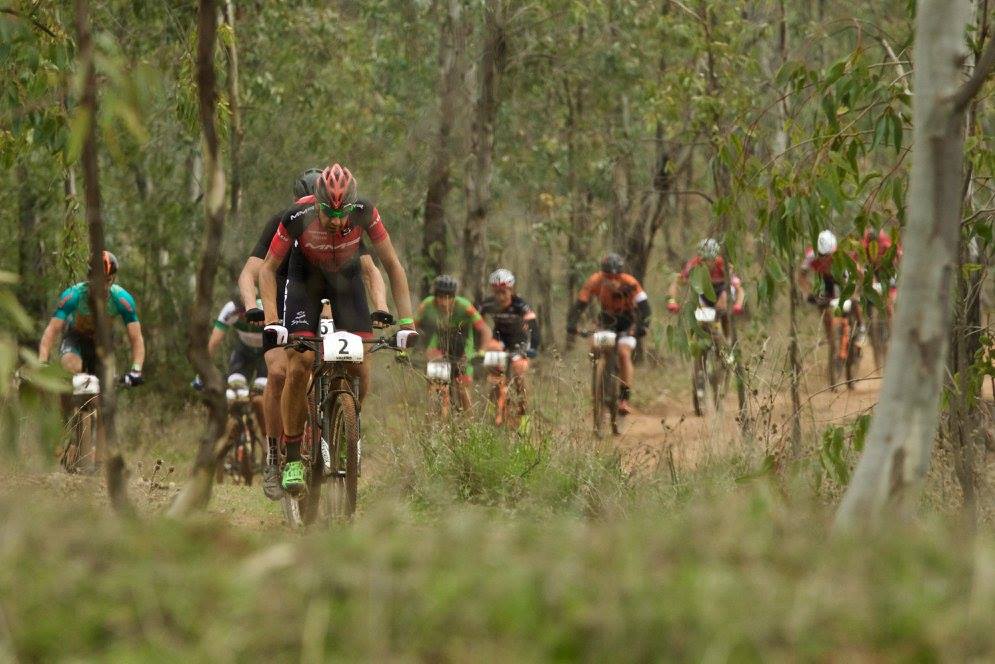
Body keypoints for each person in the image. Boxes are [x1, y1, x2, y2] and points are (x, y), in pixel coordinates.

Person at [259, 163, 415, 495]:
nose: (336, 220)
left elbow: (391, 266)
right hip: (306, 282)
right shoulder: (296, 217)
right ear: (315, 202)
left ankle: (345, 428)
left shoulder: (365, 213)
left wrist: (406, 322)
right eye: (328, 212)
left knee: (360, 363)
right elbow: (268, 270)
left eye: (342, 212)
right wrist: (273, 320)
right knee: (299, 364)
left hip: (346, 282)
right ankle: (291, 459)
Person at [38, 250, 145, 386]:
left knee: (106, 383)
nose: (103, 286)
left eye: (107, 280)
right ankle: (67, 404)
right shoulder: (73, 295)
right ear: (89, 277)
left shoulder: (122, 299)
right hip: (75, 338)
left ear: (113, 278)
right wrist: (42, 362)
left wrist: (136, 370)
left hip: (102, 341)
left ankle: (97, 405)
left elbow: (136, 337)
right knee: (72, 368)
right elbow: (52, 330)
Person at [566, 252, 650, 415]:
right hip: (606, 321)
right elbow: (580, 304)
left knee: (623, 354)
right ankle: (599, 378)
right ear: (602, 274)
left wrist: (642, 327)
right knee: (595, 344)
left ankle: (624, 398)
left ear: (621, 274)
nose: (612, 280)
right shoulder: (594, 281)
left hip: (627, 323)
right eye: (607, 277)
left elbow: (645, 308)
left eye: (615, 277)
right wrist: (571, 323)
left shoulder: (631, 283)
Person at [415, 274, 494, 412]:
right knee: (435, 386)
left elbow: (485, 330)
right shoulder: (427, 305)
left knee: (462, 388)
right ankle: (433, 423)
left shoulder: (464, 306)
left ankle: (469, 425)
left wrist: (481, 351)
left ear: (454, 297)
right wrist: (411, 349)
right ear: (435, 296)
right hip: (439, 348)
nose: (443, 301)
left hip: (463, 349)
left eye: (448, 297)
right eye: (439, 296)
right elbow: (413, 327)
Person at [476, 268, 539, 419]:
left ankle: (524, 415)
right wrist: (477, 348)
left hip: (519, 342)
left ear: (511, 290)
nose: (501, 296)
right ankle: (492, 407)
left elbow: (533, 327)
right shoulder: (488, 304)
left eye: (504, 291)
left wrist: (533, 347)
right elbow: (474, 321)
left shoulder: (520, 305)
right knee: (494, 371)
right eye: (497, 292)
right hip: (499, 341)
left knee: (519, 374)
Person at [798, 229, 863, 364]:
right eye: (821, 255)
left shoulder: (842, 256)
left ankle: (859, 329)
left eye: (828, 255)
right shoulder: (811, 256)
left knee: (849, 307)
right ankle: (832, 342)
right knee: (824, 309)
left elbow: (859, 271)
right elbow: (801, 276)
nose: (824, 258)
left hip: (843, 280)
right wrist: (808, 293)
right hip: (826, 282)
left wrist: (861, 288)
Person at [666, 238, 745, 336]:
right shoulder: (694, 264)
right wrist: (672, 301)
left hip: (722, 290)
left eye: (711, 259)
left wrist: (738, 304)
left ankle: (727, 339)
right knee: (701, 319)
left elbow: (739, 289)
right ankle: (703, 338)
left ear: (715, 257)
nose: (707, 263)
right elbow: (676, 282)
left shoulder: (723, 265)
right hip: (704, 293)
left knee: (721, 307)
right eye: (704, 259)